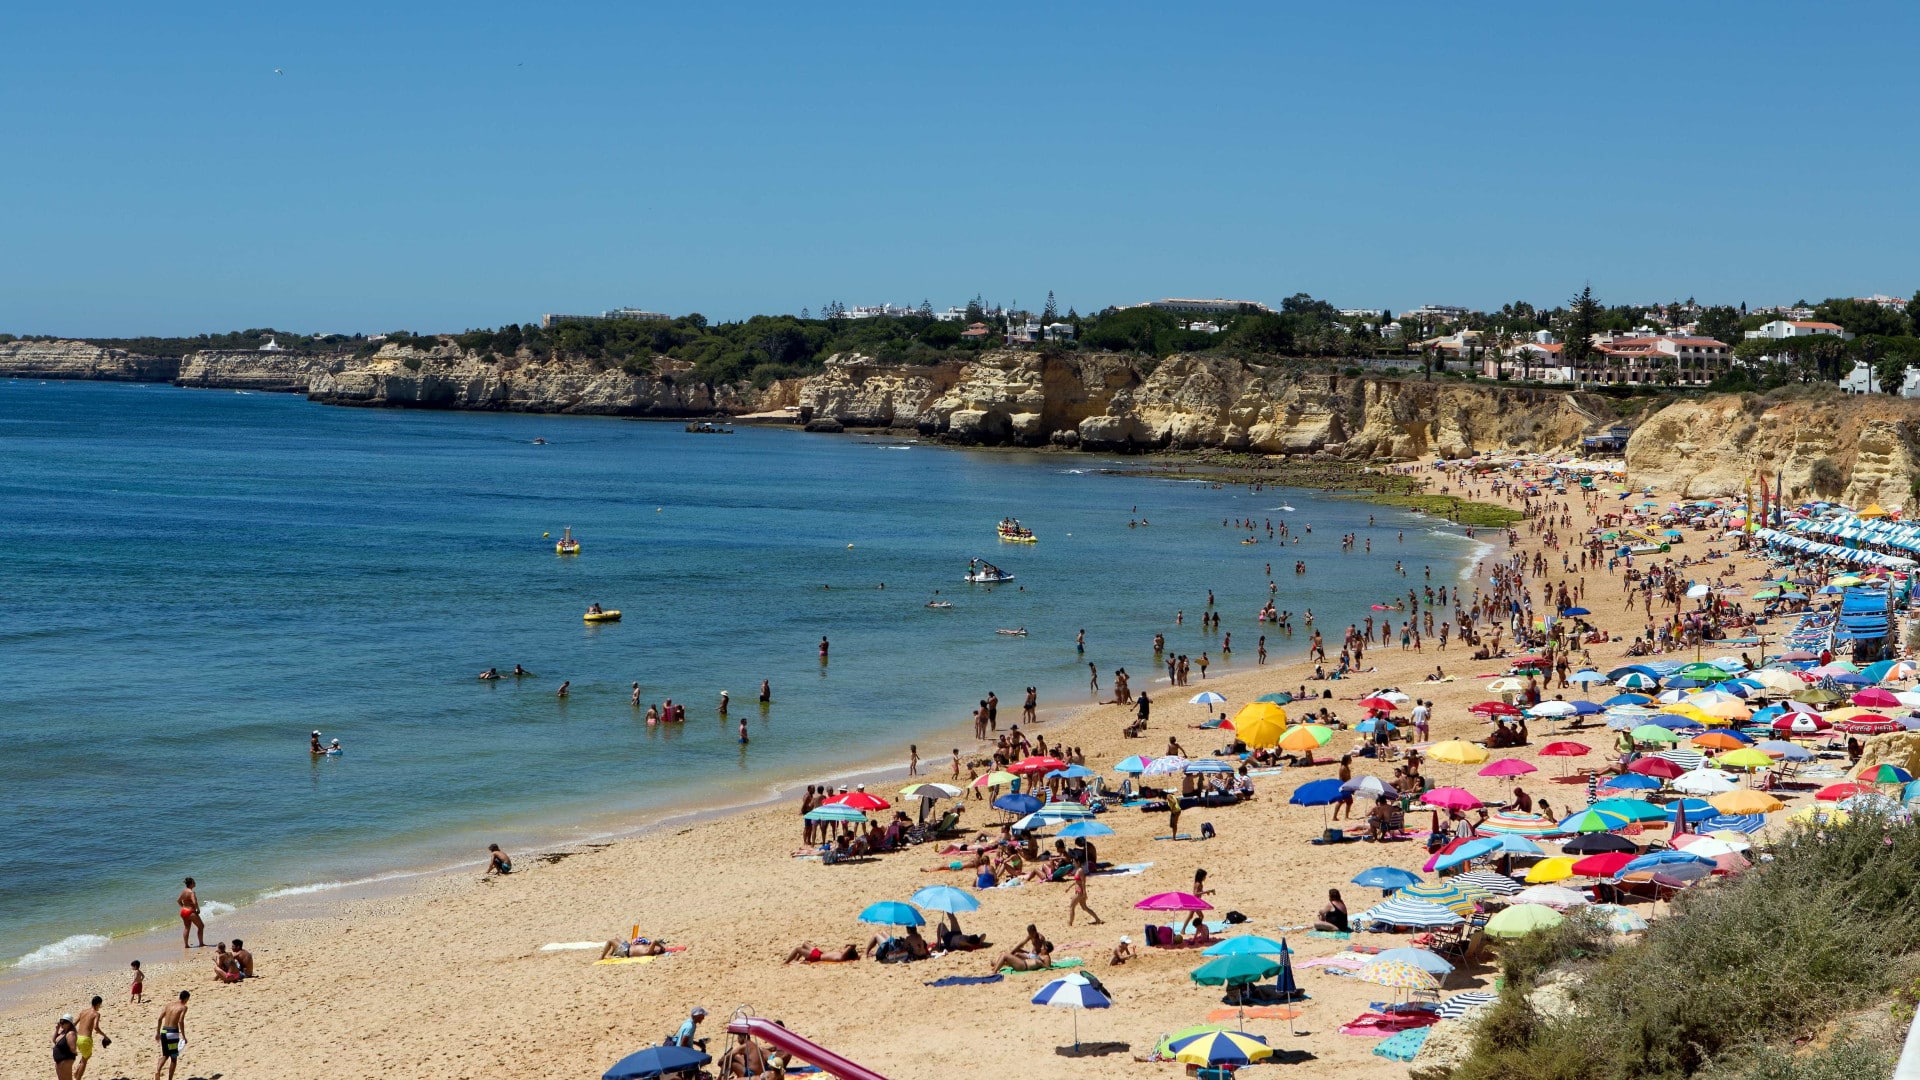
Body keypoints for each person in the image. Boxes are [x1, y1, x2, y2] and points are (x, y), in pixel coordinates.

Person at [153, 991, 188, 1080]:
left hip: (164, 1032)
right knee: (173, 1057)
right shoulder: (183, 1007)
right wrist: (183, 1036)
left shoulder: (169, 1005)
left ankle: (157, 1070)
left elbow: (160, 1018)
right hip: (172, 1033)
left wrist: (157, 1032)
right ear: (186, 999)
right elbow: (180, 1021)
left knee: (165, 1054)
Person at [74, 997, 108, 1080]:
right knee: (85, 1060)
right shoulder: (96, 1014)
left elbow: (74, 1023)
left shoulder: (83, 1012)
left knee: (86, 1056)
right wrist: (104, 1035)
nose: (100, 1007)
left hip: (78, 1038)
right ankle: (78, 1077)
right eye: (100, 1005)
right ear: (98, 1004)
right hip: (86, 1039)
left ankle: (77, 1072)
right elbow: (96, 1027)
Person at [177, 879, 205, 949]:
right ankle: (201, 943)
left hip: (183, 911)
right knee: (201, 926)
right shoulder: (191, 892)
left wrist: (183, 906)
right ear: (191, 884)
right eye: (194, 882)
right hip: (190, 912)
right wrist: (197, 909)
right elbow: (194, 902)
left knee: (187, 928)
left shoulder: (184, 891)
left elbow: (178, 900)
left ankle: (186, 945)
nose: (195, 883)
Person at [600, 934, 667, 960]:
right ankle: (612, 953)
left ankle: (601, 957)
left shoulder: (649, 951)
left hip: (625, 951)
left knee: (610, 941)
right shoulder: (649, 948)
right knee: (617, 937)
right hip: (628, 946)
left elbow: (655, 941)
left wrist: (662, 948)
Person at [784, 942, 859, 963]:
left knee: (797, 949)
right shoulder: (841, 955)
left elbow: (853, 946)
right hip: (819, 953)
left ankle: (786, 962)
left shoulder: (841, 957)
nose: (844, 949)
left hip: (816, 957)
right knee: (804, 944)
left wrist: (849, 945)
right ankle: (796, 960)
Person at [54, 1016, 78, 1080]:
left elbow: (73, 1048)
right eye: (60, 1022)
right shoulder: (63, 1032)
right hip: (59, 1060)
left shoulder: (70, 1033)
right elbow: (54, 1040)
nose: (61, 1024)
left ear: (69, 1023)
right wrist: (57, 1030)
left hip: (65, 1060)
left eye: (63, 1022)